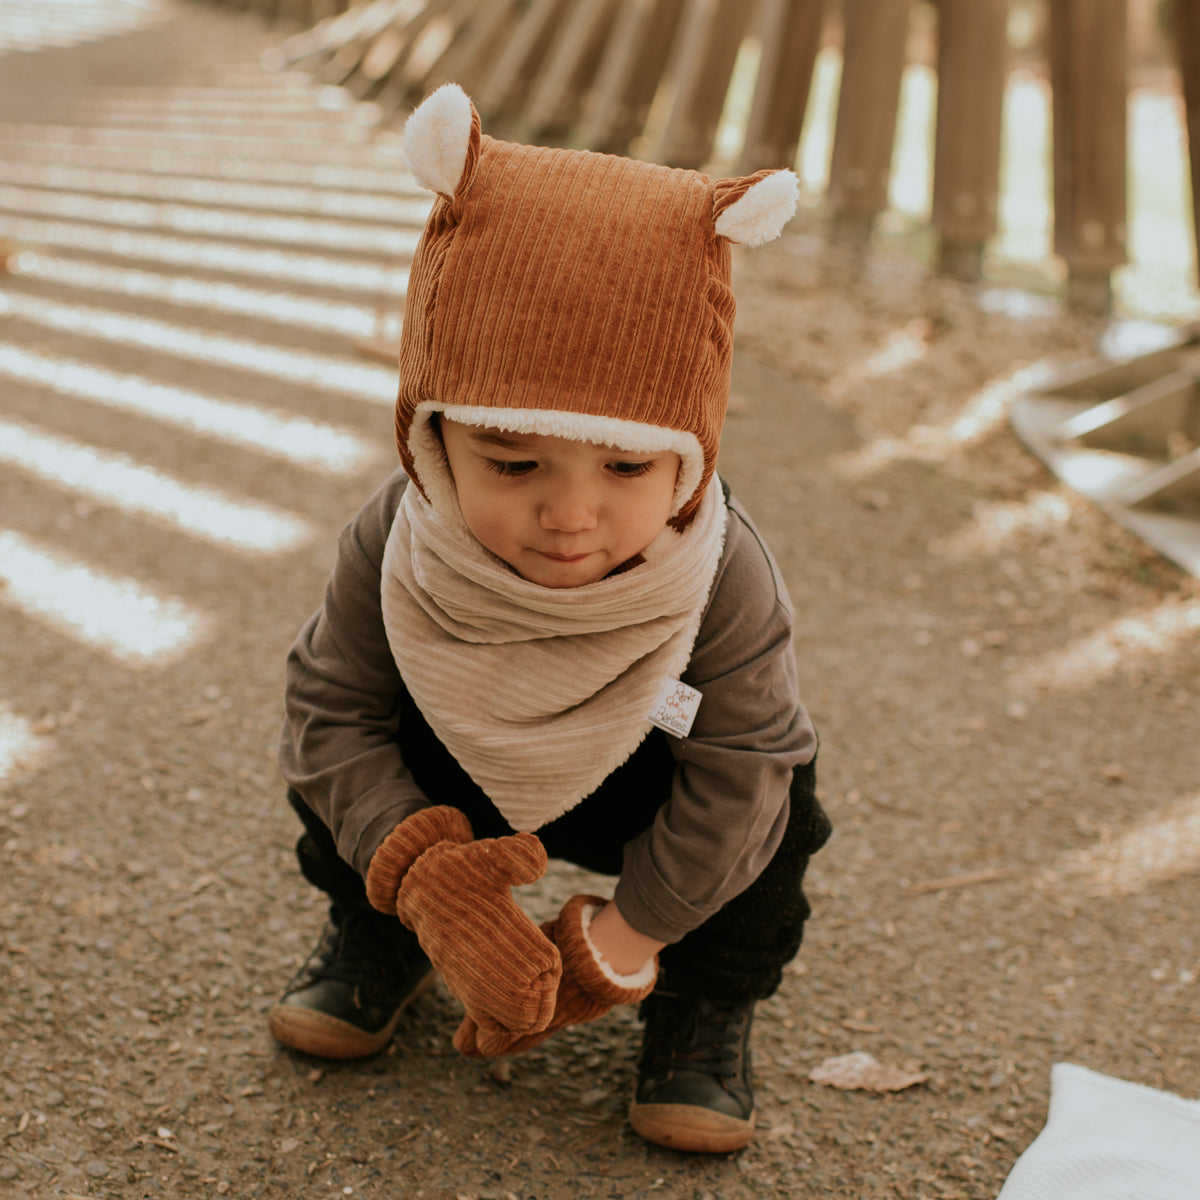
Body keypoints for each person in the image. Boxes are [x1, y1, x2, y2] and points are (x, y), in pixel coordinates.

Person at [268, 82, 831, 1155]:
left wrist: (624, 938)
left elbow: (742, 760)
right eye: (514, 462)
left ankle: (702, 1006)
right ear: (433, 438)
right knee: (354, 769)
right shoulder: (397, 541)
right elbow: (328, 710)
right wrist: (419, 873)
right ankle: (382, 935)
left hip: (647, 760)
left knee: (778, 808)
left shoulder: (722, 573)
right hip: (459, 771)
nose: (571, 515)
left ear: (689, 456)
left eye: (625, 466)